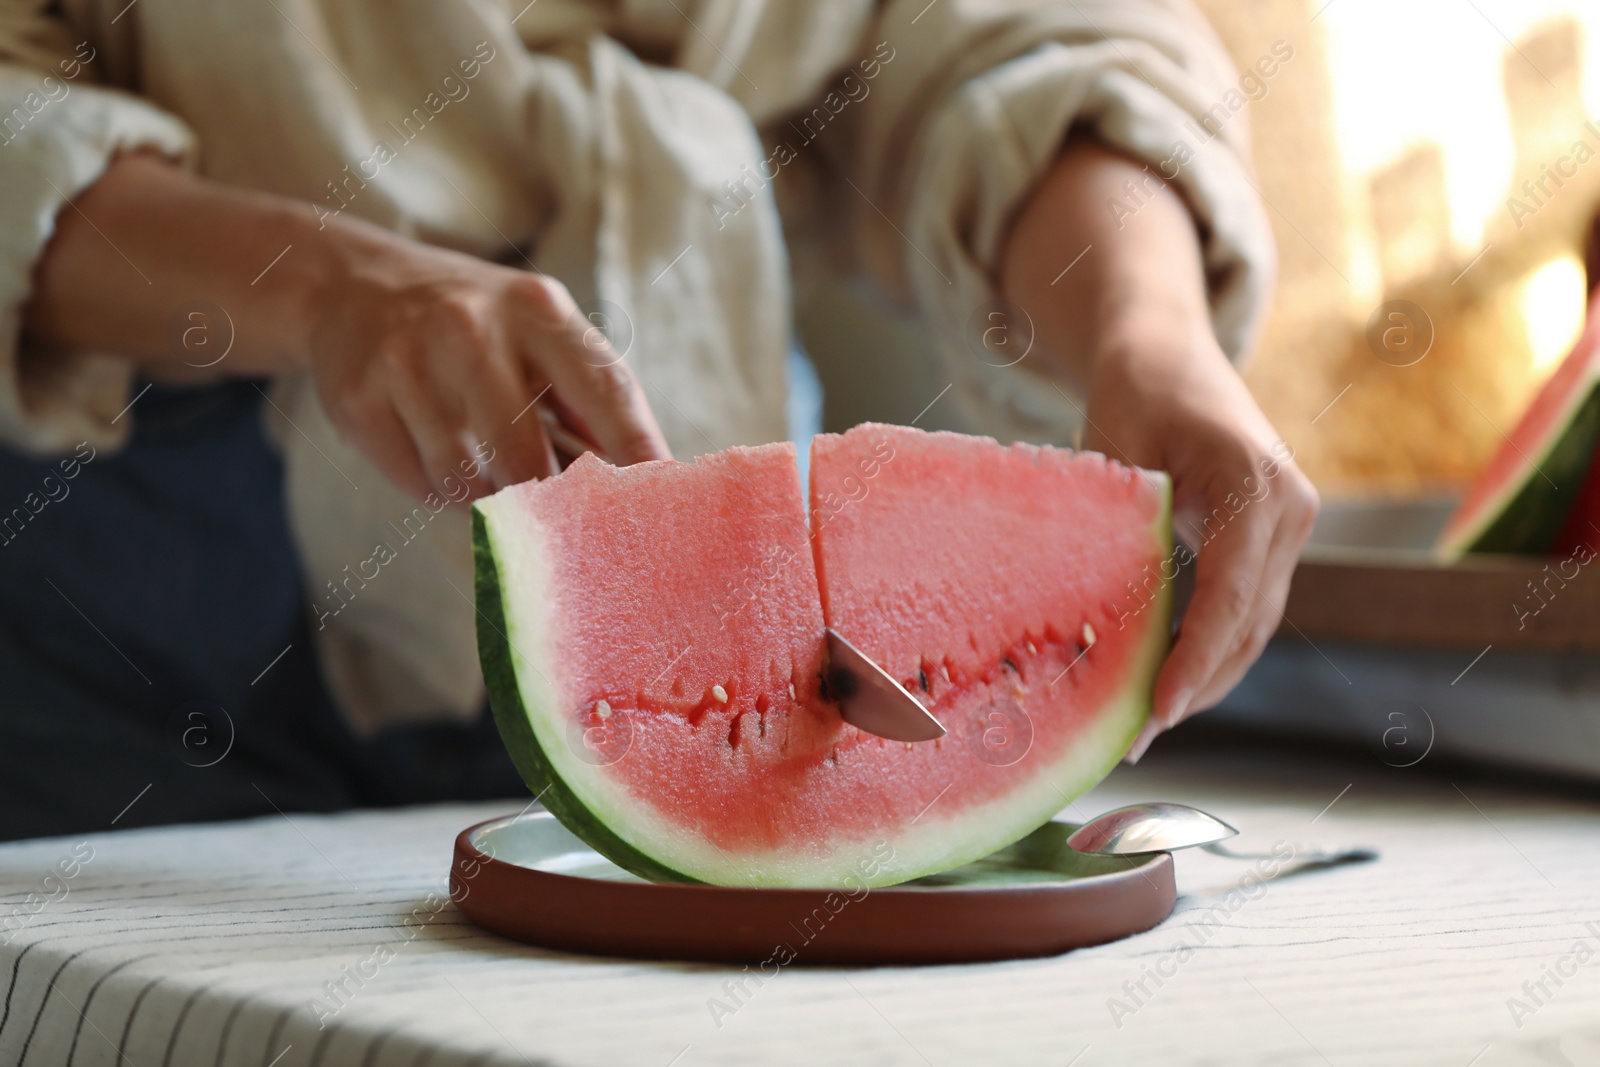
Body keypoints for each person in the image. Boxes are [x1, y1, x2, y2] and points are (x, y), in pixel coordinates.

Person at [0, 0, 1316, 840]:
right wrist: (335, 287)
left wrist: (1148, 334)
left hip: (699, 461)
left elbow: (1025, 43)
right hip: (148, 532)